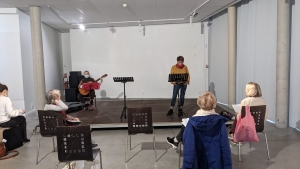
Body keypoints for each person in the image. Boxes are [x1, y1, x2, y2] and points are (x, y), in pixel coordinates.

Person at [181, 92, 232, 169]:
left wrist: (187, 166)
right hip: (215, 161)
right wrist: (228, 166)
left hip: (197, 160)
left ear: (199, 103)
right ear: (214, 104)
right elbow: (225, 146)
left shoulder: (191, 123)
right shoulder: (220, 122)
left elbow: (189, 147)